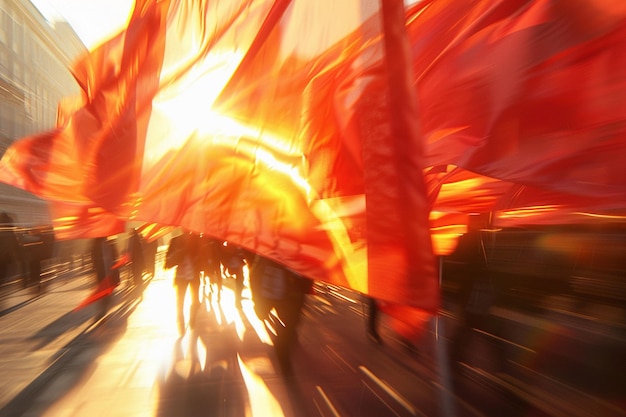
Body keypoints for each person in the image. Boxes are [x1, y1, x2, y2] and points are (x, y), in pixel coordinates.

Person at [249, 254, 312, 373]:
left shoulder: (296, 256)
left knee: (290, 325)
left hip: (290, 296)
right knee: (285, 329)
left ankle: (283, 351)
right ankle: (283, 354)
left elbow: (306, 275)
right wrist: (257, 301)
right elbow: (255, 276)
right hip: (270, 296)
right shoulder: (266, 256)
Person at [165, 230, 203, 336]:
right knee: (180, 301)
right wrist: (179, 254)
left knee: (195, 300)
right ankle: (180, 322)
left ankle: (192, 318)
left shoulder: (196, 240)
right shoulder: (175, 241)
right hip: (181, 277)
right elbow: (167, 262)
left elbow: (203, 256)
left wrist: (197, 258)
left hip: (194, 276)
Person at [221, 242, 247, 308]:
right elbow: (225, 259)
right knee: (239, 283)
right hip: (236, 267)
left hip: (235, 267)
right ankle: (238, 299)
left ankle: (238, 298)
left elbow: (225, 259)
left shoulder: (231, 246)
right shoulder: (235, 247)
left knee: (239, 283)